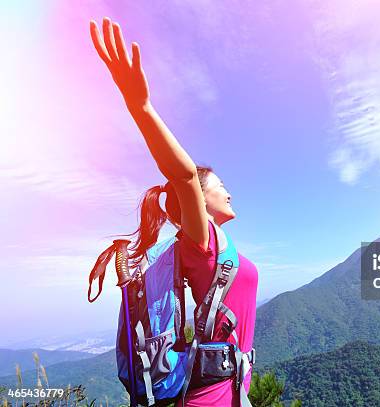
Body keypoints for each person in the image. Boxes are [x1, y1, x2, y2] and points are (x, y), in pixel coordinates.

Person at [89, 17, 258, 406]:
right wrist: (142, 108)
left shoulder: (213, 247)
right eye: (220, 185)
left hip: (224, 393)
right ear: (199, 201)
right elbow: (182, 176)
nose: (229, 192)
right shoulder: (203, 243)